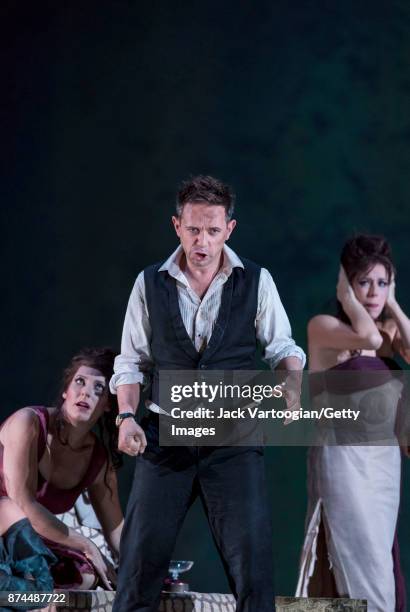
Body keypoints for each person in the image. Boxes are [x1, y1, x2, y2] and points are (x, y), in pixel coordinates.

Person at [110, 174, 305, 612]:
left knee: (252, 571)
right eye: (194, 229)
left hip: (233, 440)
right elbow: (130, 362)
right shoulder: (149, 283)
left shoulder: (256, 280)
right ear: (176, 225)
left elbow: (282, 348)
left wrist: (292, 384)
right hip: (166, 435)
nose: (203, 241)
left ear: (229, 229)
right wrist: (125, 417)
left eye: (213, 231)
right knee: (139, 566)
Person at [295, 235, 410, 612]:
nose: (373, 291)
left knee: (380, 564)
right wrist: (347, 300)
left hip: (384, 467)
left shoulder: (391, 333)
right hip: (344, 460)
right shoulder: (324, 327)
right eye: (363, 282)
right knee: (361, 569)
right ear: (346, 283)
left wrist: (392, 301)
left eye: (382, 282)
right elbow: (369, 336)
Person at [0, 347, 124, 594]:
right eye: (80, 381)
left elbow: (117, 531)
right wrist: (85, 543)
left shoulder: (98, 461)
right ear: (66, 391)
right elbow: (21, 505)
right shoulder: (28, 423)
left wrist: (145, 568)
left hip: (33, 542)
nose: (86, 392)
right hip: (7, 526)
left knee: (88, 577)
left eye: (99, 388)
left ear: (108, 405)